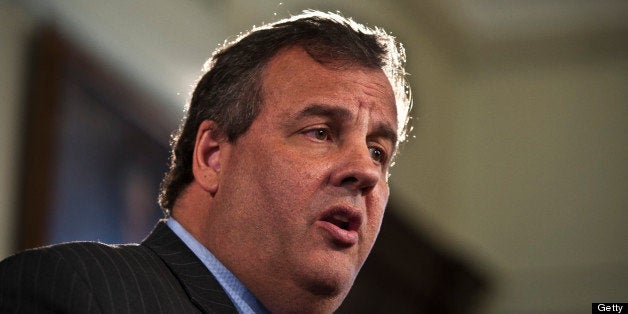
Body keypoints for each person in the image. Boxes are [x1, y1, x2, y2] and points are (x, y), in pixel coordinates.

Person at [0, 10, 411, 313]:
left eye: (379, 152)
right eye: (321, 132)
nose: (366, 171)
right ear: (212, 157)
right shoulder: (75, 293)